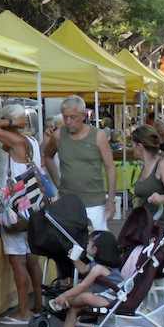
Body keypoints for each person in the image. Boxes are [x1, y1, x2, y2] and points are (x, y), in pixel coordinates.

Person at [45, 125, 164, 327]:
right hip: (142, 228)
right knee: (135, 270)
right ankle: (142, 325)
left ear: (139, 145)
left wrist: (160, 197)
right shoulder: (144, 165)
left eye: (132, 145)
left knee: (144, 274)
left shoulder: (161, 164)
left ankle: (148, 322)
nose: (130, 149)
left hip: (158, 228)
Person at [0, 105, 45, 323]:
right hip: (32, 206)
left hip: (16, 208)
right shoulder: (32, 142)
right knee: (31, 259)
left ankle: (23, 311)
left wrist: (11, 123)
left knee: (17, 260)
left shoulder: (17, 141)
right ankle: (38, 304)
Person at [43, 95, 118, 233]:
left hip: (94, 202)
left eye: (73, 117)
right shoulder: (58, 135)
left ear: (83, 116)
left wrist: (111, 200)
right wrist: (58, 183)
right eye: (65, 117)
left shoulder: (98, 136)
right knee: (70, 247)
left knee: (96, 244)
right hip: (67, 201)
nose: (68, 121)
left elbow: (110, 167)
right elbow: (47, 156)